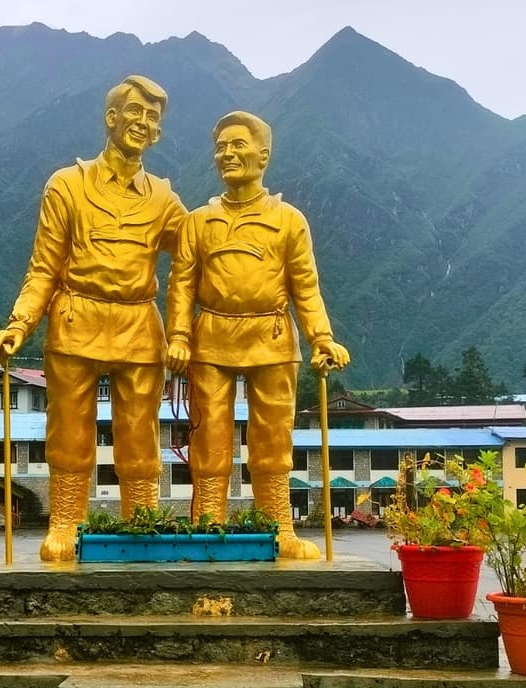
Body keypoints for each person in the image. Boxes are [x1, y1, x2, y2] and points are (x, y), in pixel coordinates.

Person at [0, 75, 186, 561]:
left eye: (153, 117)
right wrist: (18, 324)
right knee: (69, 431)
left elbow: (197, 256)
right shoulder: (67, 185)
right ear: (111, 118)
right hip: (75, 319)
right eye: (134, 111)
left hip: (140, 324)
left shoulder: (162, 198)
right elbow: (44, 268)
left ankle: (141, 526)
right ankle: (67, 523)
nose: (143, 123)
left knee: (140, 435)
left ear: (158, 132)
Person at [166, 111, 350, 559]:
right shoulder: (197, 221)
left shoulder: (289, 220)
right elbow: (181, 284)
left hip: (271, 337)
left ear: (263, 154)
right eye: (221, 148)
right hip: (211, 336)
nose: (227, 154)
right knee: (208, 435)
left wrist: (321, 338)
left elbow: (305, 286)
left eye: (237, 145)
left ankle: (278, 528)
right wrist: (178, 336)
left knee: (272, 438)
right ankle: (209, 522)